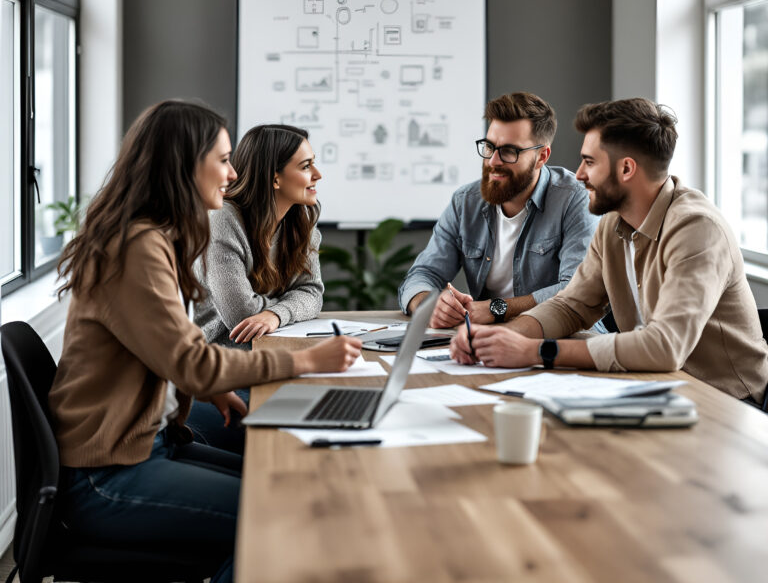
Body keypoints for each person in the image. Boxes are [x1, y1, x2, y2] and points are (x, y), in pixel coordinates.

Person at [48, 101, 362, 583]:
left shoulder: (155, 236)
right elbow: (192, 359)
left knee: (289, 492)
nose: (233, 173)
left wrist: (210, 389)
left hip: (151, 445)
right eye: (222, 159)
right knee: (282, 517)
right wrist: (305, 363)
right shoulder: (135, 247)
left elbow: (169, 345)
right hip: (107, 475)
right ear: (184, 165)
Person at [451, 98, 768, 405]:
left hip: (726, 403)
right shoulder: (613, 223)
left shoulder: (697, 229)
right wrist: (504, 337)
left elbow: (665, 347)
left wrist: (535, 351)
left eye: (589, 162)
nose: (579, 174)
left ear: (627, 169)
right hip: (654, 389)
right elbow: (572, 306)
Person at [399, 92, 598, 331]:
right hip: (486, 337)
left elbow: (576, 290)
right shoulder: (465, 202)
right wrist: (428, 304)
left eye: (509, 151)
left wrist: (497, 308)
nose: (493, 161)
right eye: (489, 147)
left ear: (541, 156)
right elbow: (423, 273)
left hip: (562, 336)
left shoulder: (574, 199)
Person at [187, 124, 324, 452]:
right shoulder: (222, 220)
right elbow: (241, 315)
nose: (317, 174)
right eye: (305, 167)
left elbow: (312, 292)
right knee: (296, 438)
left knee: (330, 412)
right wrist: (281, 306)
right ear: (274, 178)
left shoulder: (300, 222)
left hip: (259, 367)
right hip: (217, 377)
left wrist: (276, 315)